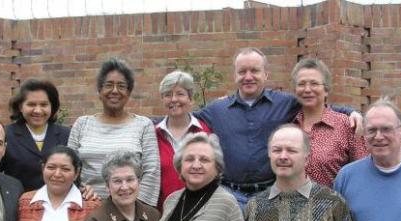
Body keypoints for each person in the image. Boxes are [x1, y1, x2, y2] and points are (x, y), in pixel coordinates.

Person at [197, 47, 362, 207]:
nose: (248, 77)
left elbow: (317, 103)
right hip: (230, 195)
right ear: (235, 75)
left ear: (265, 74)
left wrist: (351, 112)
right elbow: (187, 121)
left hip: (271, 195)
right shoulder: (217, 109)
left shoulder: (284, 103)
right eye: (242, 72)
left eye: (254, 71)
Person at [68, 58, 160, 206]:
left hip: (130, 210)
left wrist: (135, 209)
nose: (115, 91)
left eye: (121, 86)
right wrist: (80, 192)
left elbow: (152, 172)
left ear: (128, 92)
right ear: (99, 90)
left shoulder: (143, 125)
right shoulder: (82, 124)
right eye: (109, 85)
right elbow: (69, 168)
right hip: (87, 206)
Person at [291, 58, 367, 186]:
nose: (307, 89)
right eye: (301, 84)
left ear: (326, 90)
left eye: (314, 83)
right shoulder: (286, 125)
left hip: (333, 204)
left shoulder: (346, 125)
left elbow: (363, 172)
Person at [155, 70, 211, 209]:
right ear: (163, 100)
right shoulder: (153, 135)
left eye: (180, 94)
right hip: (164, 212)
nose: (174, 99)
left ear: (190, 99)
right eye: (168, 94)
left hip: (201, 210)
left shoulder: (204, 132)